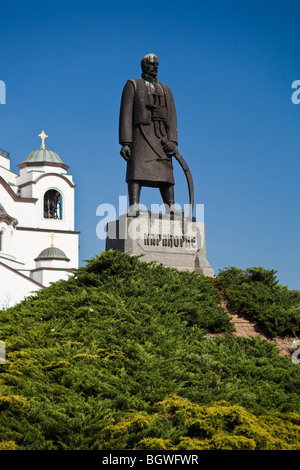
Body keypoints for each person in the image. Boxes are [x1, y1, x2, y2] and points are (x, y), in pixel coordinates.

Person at [119, 53, 178, 214]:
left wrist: (173, 141)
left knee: (166, 172)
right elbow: (125, 114)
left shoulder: (166, 90)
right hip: (141, 135)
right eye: (151, 64)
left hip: (162, 138)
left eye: (157, 64)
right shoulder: (133, 85)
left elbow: (172, 117)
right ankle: (134, 205)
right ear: (143, 65)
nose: (155, 67)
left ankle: (170, 207)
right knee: (137, 169)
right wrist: (125, 142)